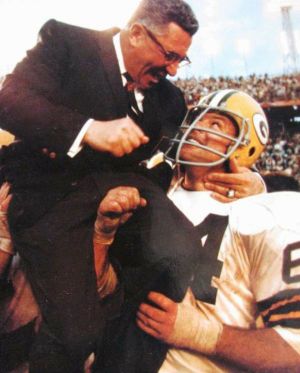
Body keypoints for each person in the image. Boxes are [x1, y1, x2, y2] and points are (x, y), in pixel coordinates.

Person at [0, 1, 263, 370]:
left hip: (118, 188)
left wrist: (255, 184)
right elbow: (8, 100)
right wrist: (88, 130)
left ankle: (126, 353)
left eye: (180, 60)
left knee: (182, 246)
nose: (172, 69)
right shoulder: (67, 41)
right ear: (137, 33)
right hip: (50, 191)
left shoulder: (169, 101)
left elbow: (173, 164)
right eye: (169, 55)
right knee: (75, 332)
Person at [92, 89, 300, 373]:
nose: (197, 128)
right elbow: (105, 289)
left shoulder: (268, 214)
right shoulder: (148, 192)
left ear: (243, 145)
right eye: (197, 119)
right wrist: (102, 237)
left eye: (215, 124)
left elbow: (295, 345)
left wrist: (201, 334)